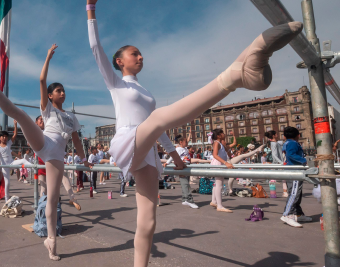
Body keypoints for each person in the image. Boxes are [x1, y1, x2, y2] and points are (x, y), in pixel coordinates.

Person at [87, 2, 301, 263]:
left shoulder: (146, 93)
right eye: (135, 54)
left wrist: (175, 158)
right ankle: (234, 76)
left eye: (141, 54)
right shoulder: (115, 83)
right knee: (158, 118)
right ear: (120, 61)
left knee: (148, 220)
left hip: (148, 151)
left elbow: (160, 127)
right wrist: (91, 10)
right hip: (128, 141)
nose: (141, 57)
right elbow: (96, 49)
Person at [0, 43, 91, 261]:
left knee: (53, 199)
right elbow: (42, 80)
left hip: (57, 156)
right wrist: (47, 58)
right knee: (21, 114)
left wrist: (83, 159)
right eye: (58, 90)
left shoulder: (72, 117)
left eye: (63, 90)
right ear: (51, 96)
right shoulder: (48, 108)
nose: (62, 93)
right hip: (44, 141)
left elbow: (76, 140)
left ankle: (51, 241)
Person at [280, 126, 312, 228]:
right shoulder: (293, 143)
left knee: (297, 193)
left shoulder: (287, 143)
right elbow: (291, 154)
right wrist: (304, 160)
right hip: (294, 171)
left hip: (292, 170)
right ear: (298, 135)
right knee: (294, 194)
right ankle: (287, 214)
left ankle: (298, 214)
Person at [165, 135, 198, 209]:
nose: (187, 143)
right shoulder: (178, 149)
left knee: (186, 183)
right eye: (185, 142)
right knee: (185, 184)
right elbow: (172, 157)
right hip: (181, 168)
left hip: (186, 167)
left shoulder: (185, 148)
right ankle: (189, 200)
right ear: (181, 142)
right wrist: (167, 163)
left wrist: (189, 135)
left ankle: (184, 199)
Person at [266, 130, 288, 197]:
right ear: (273, 135)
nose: (277, 135)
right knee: (282, 178)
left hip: (277, 162)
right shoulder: (274, 143)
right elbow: (274, 155)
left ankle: (278, 193)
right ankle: (282, 192)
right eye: (276, 134)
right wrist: (281, 162)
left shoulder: (275, 143)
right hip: (277, 163)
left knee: (280, 178)